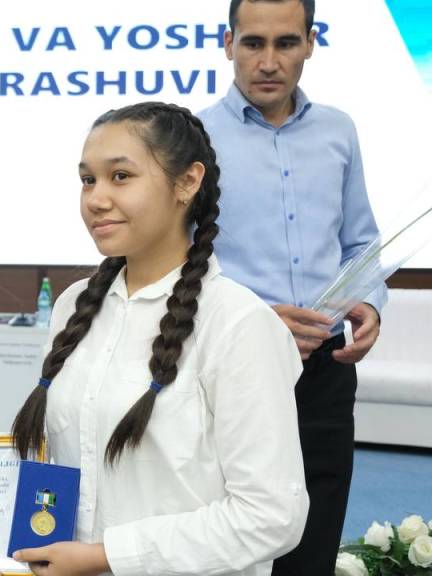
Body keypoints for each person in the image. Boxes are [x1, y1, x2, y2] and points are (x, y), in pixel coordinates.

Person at [0, 102, 308, 576]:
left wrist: (106, 556)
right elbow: (63, 475)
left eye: (121, 176)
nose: (96, 199)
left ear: (187, 182)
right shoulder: (73, 306)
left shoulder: (238, 323)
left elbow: (272, 516)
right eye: (87, 180)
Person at [198, 1, 387, 573]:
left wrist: (369, 302)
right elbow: (180, 260)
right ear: (228, 44)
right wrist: (257, 318)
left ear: (310, 42)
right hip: (236, 362)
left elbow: (361, 243)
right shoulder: (193, 138)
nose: (268, 61)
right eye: (253, 43)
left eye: (285, 43)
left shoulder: (339, 130)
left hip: (327, 365)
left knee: (318, 521)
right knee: (230, 526)